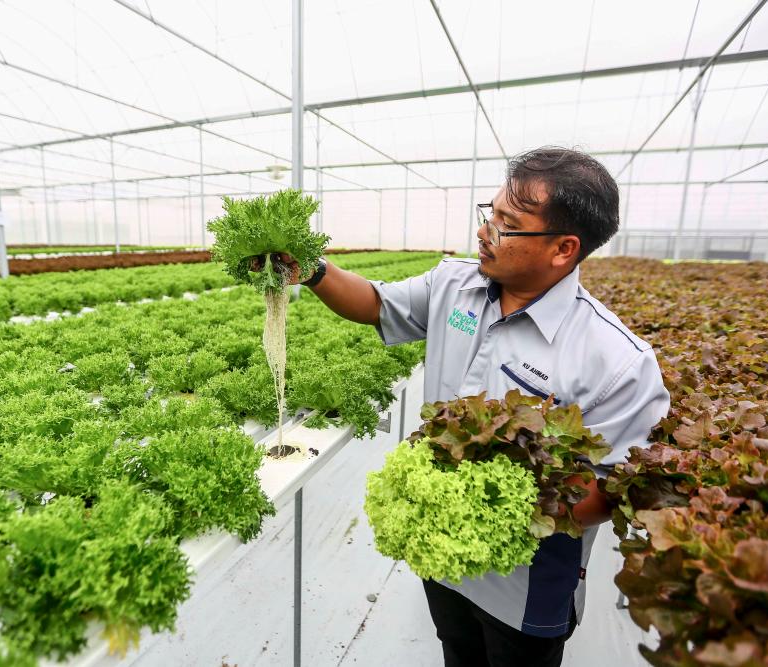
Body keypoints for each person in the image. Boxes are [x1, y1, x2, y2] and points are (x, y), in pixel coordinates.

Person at [272, 146, 670, 667]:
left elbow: (613, 487)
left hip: (526, 588)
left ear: (562, 248)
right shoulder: (454, 286)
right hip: (443, 561)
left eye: (507, 223)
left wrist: (493, 518)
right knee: (457, 652)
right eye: (490, 213)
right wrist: (314, 270)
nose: (485, 231)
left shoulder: (619, 361)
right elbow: (376, 303)